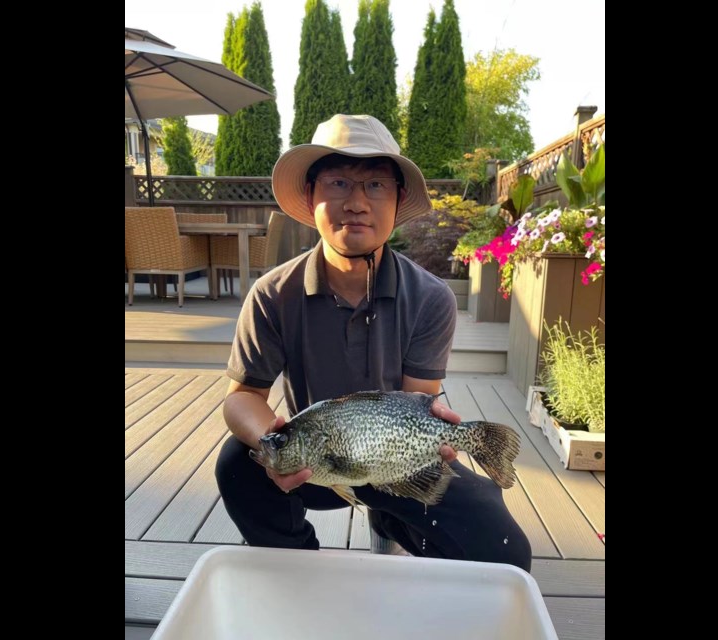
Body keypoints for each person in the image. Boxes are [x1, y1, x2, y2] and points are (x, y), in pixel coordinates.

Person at [215, 114, 531, 571]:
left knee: (502, 550)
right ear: (311, 196)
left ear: (398, 199)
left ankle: (392, 522)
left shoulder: (431, 297)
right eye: (338, 183)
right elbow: (241, 398)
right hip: (313, 462)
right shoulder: (272, 293)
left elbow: (416, 399)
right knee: (236, 464)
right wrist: (274, 444)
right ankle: (298, 569)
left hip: (396, 461)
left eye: (376, 186)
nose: (357, 203)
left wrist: (432, 430)